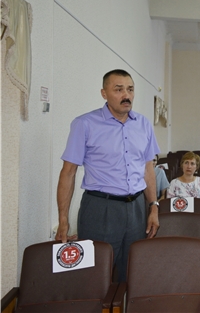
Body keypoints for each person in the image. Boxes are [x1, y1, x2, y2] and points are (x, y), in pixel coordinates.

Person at [56, 69, 160, 282]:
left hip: (137, 208)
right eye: (118, 89)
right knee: (95, 274)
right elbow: (68, 173)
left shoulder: (143, 124)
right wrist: (63, 220)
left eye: (130, 89)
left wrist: (153, 207)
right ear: (104, 93)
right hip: (100, 208)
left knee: (133, 272)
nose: (126, 95)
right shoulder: (85, 124)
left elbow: (148, 169)